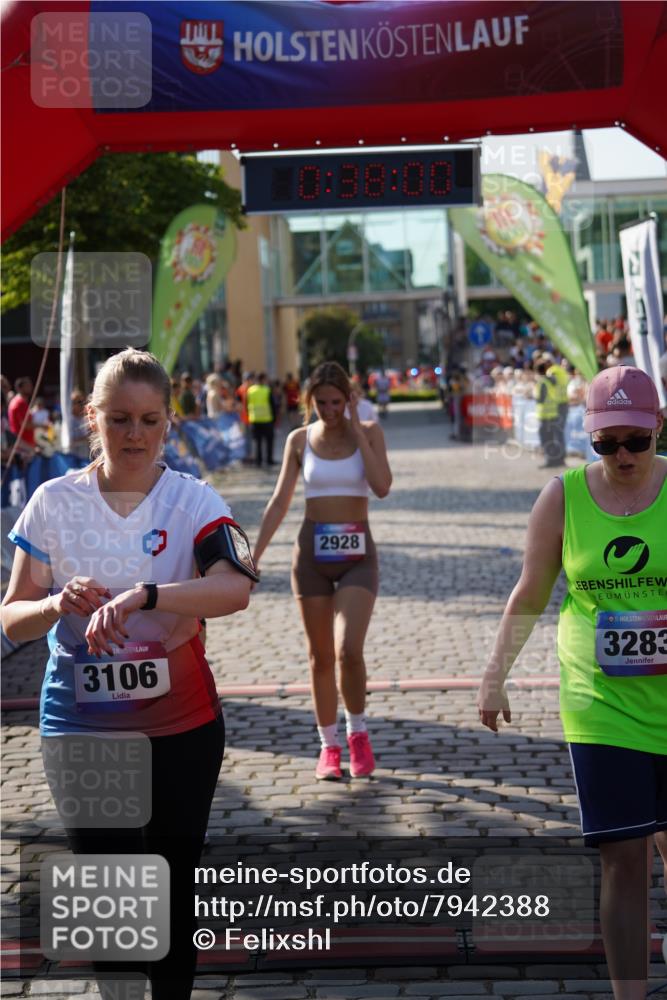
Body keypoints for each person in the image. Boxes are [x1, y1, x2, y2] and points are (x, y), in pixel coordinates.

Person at [1, 348, 256, 1000]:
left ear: (169, 423)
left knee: (171, 888)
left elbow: (233, 590)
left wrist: (148, 594)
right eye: (118, 419)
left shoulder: (192, 500)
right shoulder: (54, 502)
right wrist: (57, 602)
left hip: (181, 723)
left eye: (148, 420)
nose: (134, 435)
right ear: (91, 418)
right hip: (79, 725)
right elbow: (13, 621)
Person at [477, 365, 667, 1000]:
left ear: (658, 428)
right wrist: (493, 676)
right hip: (599, 701)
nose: (622, 455)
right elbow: (530, 591)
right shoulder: (562, 497)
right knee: (623, 859)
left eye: (635, 441)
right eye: (606, 442)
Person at [252, 361, 392, 780]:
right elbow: (279, 502)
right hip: (310, 555)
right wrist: (253, 555)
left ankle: (357, 735)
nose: (330, 410)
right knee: (319, 657)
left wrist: (356, 426)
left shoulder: (368, 432)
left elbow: (382, 486)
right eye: (323, 403)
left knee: (348, 649)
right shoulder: (298, 440)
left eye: (338, 402)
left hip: (357, 557)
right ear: (309, 401)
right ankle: (328, 746)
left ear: (349, 399)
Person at [246, 372, 275, 467]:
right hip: (266, 419)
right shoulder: (267, 390)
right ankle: (269, 460)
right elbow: (272, 405)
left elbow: (247, 404)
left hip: (254, 419)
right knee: (269, 441)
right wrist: (274, 417)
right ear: (262, 380)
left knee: (257, 442)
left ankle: (258, 461)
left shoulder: (250, 390)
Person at [7, 376, 36, 449]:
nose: (31, 387)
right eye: (28, 385)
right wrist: (42, 425)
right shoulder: (20, 403)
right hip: (23, 445)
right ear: (20, 388)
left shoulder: (19, 402)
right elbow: (25, 425)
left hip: (22, 443)